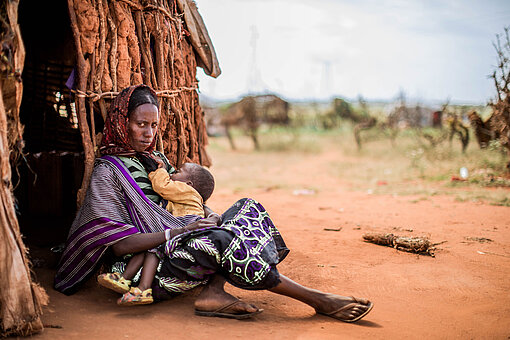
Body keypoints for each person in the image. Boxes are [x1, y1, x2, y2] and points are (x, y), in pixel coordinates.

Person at [54, 84, 373, 322]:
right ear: (123, 121)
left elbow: (178, 203)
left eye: (153, 125)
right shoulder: (107, 172)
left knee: (247, 209)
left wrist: (208, 215)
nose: (149, 133)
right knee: (223, 239)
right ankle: (315, 299)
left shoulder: (154, 159)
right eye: (141, 124)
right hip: (148, 270)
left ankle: (213, 292)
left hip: (183, 242)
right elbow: (119, 246)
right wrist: (177, 233)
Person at [97, 161, 217, 305]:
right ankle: (123, 279)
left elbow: (162, 186)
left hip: (186, 223)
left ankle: (143, 289)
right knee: (148, 244)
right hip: (182, 224)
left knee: (154, 248)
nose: (172, 174)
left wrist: (161, 170)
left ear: (188, 184)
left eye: (178, 172)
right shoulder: (188, 196)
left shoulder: (186, 191)